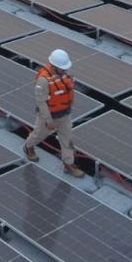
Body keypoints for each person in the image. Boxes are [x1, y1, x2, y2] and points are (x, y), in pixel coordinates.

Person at [22, 49, 86, 177]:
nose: (65, 70)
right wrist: (48, 120)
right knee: (38, 135)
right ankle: (28, 146)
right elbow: (41, 102)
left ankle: (69, 164)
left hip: (65, 114)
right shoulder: (43, 80)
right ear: (54, 66)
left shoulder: (66, 75)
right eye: (62, 68)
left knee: (67, 139)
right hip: (49, 116)